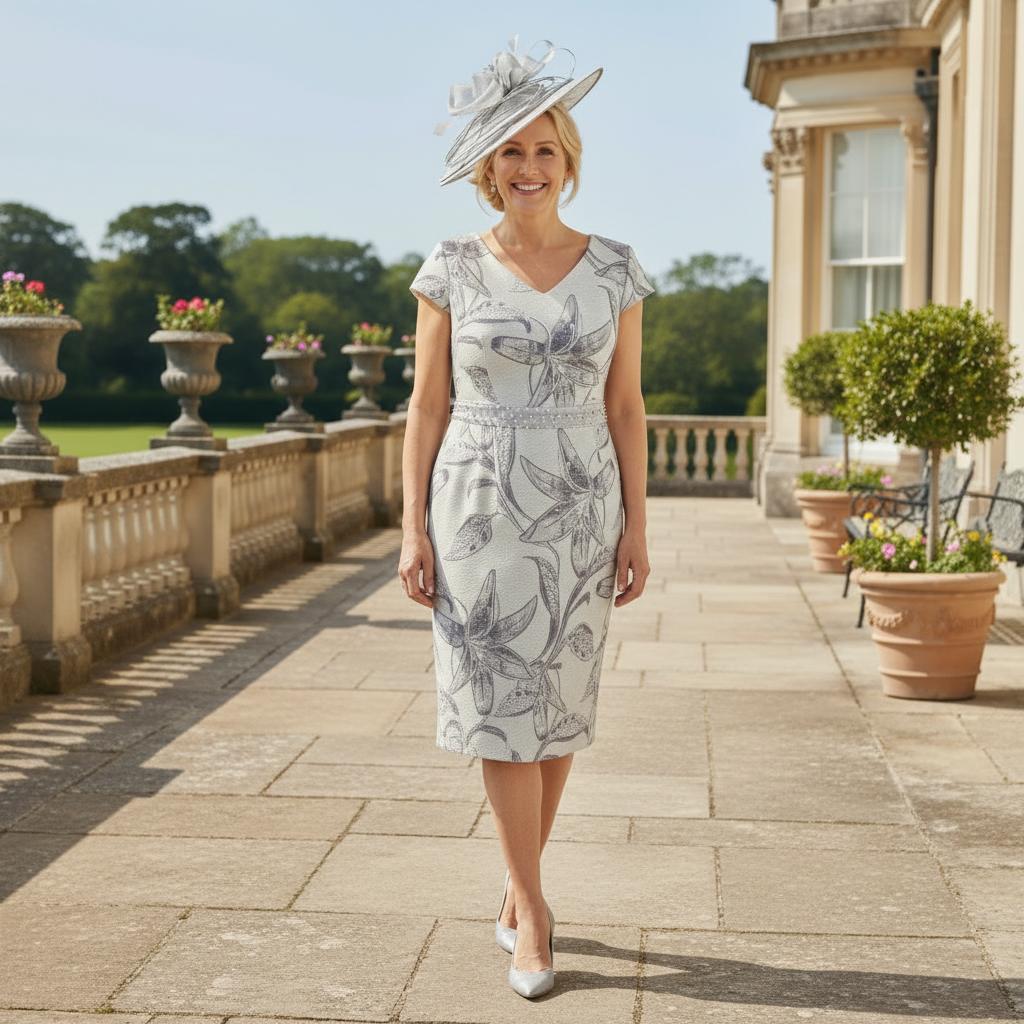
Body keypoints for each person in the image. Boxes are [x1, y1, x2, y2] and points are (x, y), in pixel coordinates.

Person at [399, 36, 653, 999]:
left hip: (583, 506)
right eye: (511, 152)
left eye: (545, 151)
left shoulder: (617, 268)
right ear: (486, 169)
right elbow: (425, 407)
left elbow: (626, 407)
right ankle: (537, 911)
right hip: (474, 506)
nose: (529, 168)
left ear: (570, 161)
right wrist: (413, 529)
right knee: (498, 708)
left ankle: (515, 888)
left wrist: (638, 524)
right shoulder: (451, 267)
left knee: (554, 714)